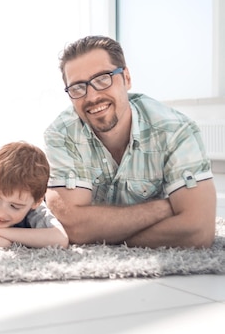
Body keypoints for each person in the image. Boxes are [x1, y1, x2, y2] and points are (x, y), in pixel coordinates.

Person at [44, 35, 216, 248]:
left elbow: (198, 231)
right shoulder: (61, 134)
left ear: (126, 78)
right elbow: (71, 227)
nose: (91, 97)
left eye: (102, 79)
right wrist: (164, 208)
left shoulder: (176, 130)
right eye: (78, 87)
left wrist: (102, 235)